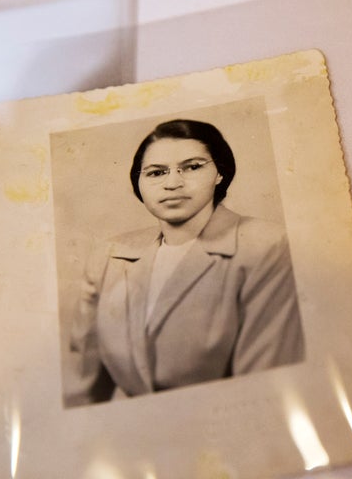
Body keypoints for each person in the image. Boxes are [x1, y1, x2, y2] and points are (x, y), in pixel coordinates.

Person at [64, 119, 305, 406]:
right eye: (156, 172)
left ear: (219, 173)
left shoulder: (264, 244)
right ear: (138, 183)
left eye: (192, 167)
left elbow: (265, 384)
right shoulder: (110, 255)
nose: (173, 183)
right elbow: (81, 387)